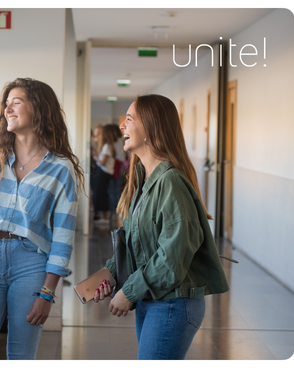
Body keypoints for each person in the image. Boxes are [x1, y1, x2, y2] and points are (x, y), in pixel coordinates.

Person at [0, 77, 84, 360]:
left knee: (21, 356)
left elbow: (62, 238)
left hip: (31, 264)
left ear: (39, 108)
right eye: (6, 104)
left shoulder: (60, 170)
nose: (7, 109)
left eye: (16, 102)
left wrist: (47, 294)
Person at [93, 94, 229, 360]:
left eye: (130, 119)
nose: (122, 125)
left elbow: (171, 258)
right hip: (153, 299)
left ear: (151, 127)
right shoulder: (144, 180)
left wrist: (129, 292)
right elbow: (138, 244)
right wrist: (108, 274)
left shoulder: (171, 183)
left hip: (172, 304)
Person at [91, 124, 116, 223]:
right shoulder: (108, 146)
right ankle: (104, 216)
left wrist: (95, 157)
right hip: (106, 172)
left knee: (102, 194)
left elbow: (103, 162)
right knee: (102, 194)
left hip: (105, 172)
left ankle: (105, 217)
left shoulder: (107, 146)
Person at [107, 124, 125, 223]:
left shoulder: (114, 142)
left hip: (116, 166)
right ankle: (117, 211)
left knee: (112, 189)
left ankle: (114, 211)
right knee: (117, 189)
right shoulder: (120, 140)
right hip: (120, 165)